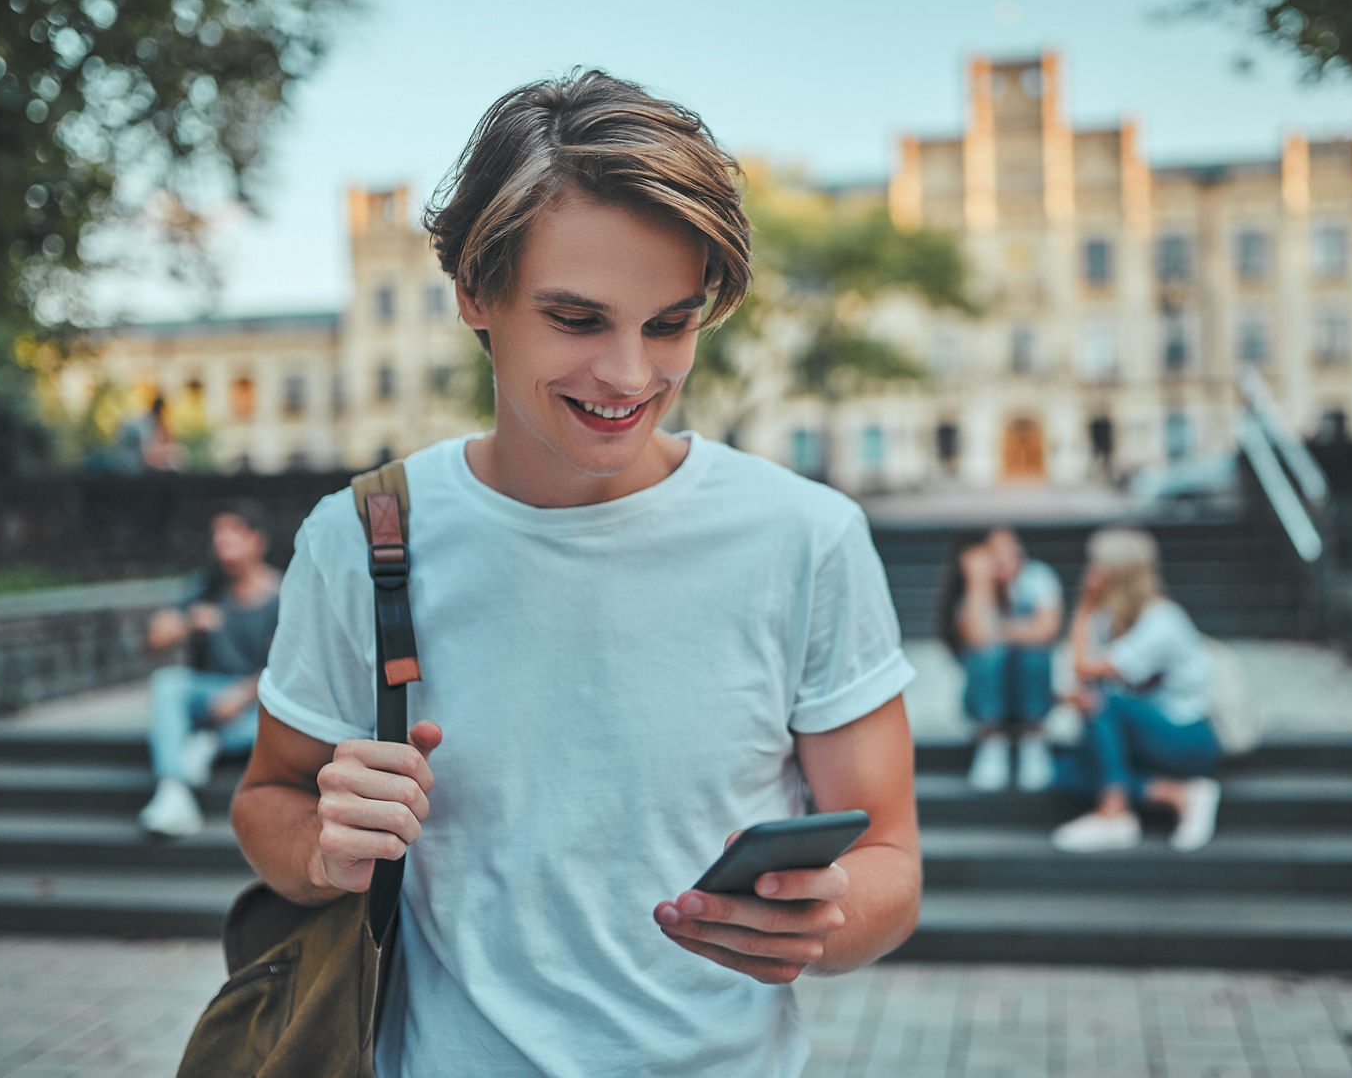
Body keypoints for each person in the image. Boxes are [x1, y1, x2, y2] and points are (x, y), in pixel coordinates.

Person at [235, 69, 922, 1077]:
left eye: (670, 324)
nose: (631, 376)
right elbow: (268, 800)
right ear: (476, 293)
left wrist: (826, 918)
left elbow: (891, 862)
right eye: (577, 319)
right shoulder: (364, 534)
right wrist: (322, 848)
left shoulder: (805, 537)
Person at [1050, 525, 1222, 853]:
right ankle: (1178, 794)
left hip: (1188, 737)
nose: (1090, 574)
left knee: (1104, 704)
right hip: (1142, 738)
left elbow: (1085, 667)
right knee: (1065, 773)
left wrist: (1085, 604)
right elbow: (1080, 676)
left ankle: (1114, 813)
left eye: (1096, 565)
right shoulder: (1108, 619)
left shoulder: (1162, 621)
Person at [137, 501, 281, 837]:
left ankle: (210, 742)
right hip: (209, 692)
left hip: (257, 697)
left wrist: (244, 693)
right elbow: (154, 639)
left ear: (257, 540)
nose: (221, 541)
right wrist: (188, 622)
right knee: (167, 683)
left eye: (233, 532)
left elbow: (291, 669)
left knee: (282, 714)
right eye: (217, 533)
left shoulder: (284, 593)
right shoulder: (207, 587)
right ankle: (174, 790)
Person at [938, 527, 1062, 792]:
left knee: (1032, 652)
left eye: (1012, 550)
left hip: (1028, 690)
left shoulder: (1038, 577)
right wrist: (979, 582)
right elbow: (976, 636)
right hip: (986, 697)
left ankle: (1032, 739)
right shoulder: (975, 589)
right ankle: (991, 740)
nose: (1005, 558)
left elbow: (1047, 630)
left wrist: (1001, 631)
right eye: (996, 552)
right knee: (989, 654)